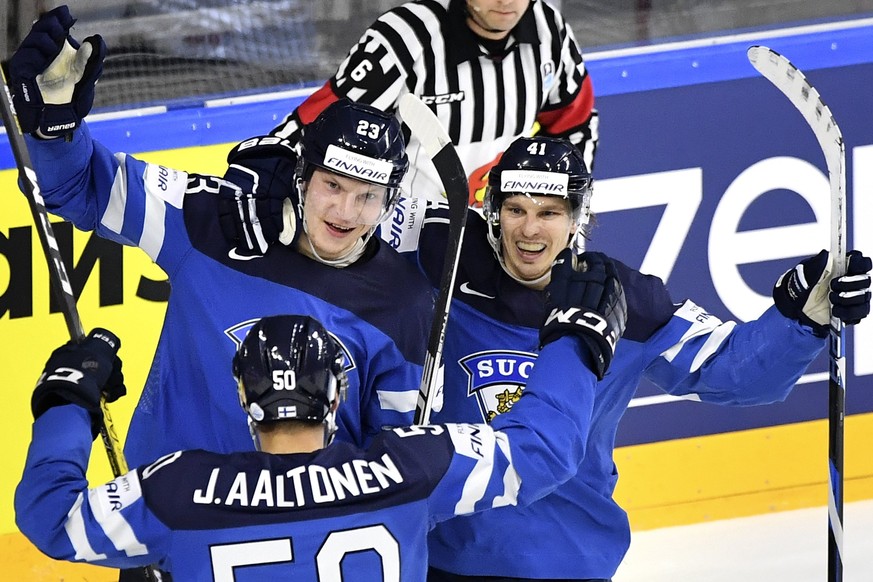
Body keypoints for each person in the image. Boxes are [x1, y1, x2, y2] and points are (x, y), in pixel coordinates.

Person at [225, 134, 872, 580]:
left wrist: (799, 318)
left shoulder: (623, 299)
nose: (529, 229)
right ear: (489, 211)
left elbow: (733, 375)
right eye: (514, 209)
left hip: (567, 563)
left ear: (577, 217)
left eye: (549, 212)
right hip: (445, 561)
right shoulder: (436, 274)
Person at [7, 5, 435, 471]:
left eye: (367, 196)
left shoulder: (403, 301)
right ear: (301, 176)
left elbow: (395, 463)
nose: (346, 212)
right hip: (172, 520)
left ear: (390, 200)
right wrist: (53, 131)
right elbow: (79, 187)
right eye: (332, 185)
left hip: (304, 532)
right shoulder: (215, 220)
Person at [15, 262, 628, 581]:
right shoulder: (409, 467)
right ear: (336, 399)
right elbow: (544, 451)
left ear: (242, 396)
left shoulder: (180, 490)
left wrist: (68, 402)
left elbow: (49, 517)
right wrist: (574, 344)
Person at [221, 0, 597, 260]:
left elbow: (575, 128)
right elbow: (310, 130)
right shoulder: (405, 38)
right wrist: (264, 176)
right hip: (401, 247)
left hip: (499, 247)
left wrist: (570, 225)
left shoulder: (551, 32)